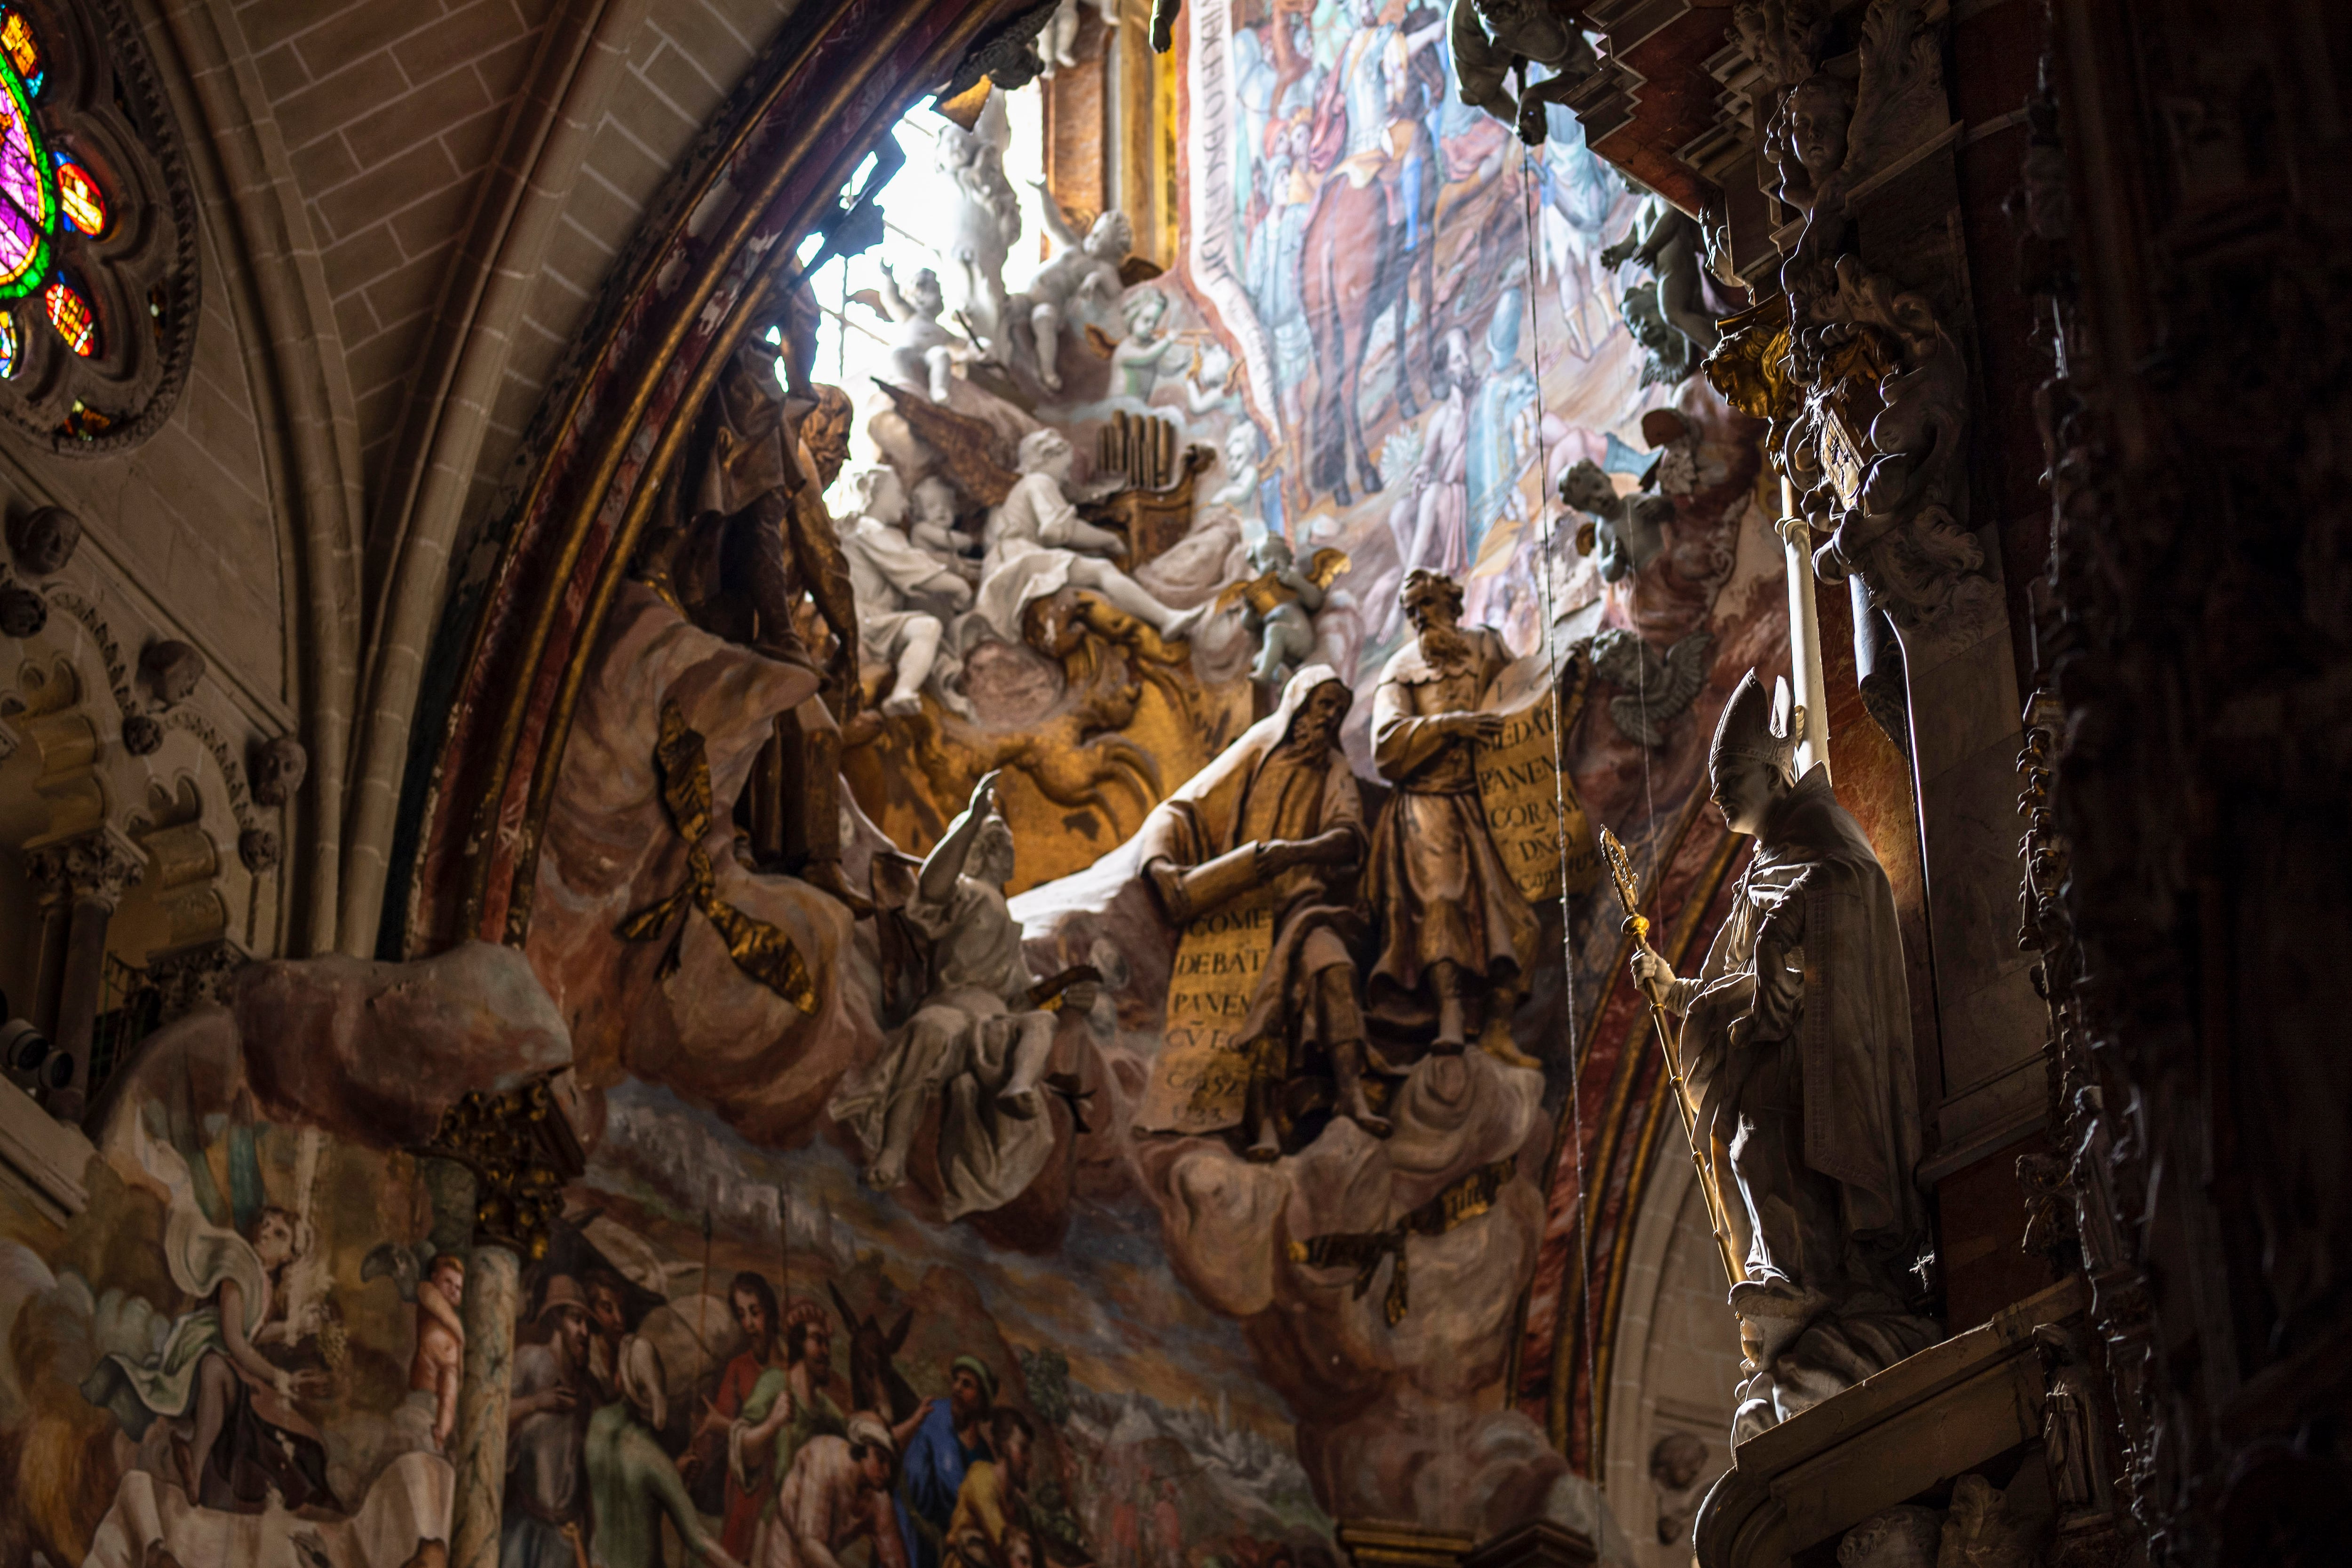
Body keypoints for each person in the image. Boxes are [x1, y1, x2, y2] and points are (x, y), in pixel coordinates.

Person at [1626, 671, 1930, 1434]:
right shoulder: (1765, 859)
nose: (1721, 796)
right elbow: (1731, 977)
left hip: (1814, 1061)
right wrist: (1674, 986)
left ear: (1772, 770)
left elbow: (1852, 882)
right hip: (1765, 1055)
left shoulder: (1821, 834)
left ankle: (1825, 1280)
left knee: (1766, 1149)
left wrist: (1785, 931)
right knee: (1748, 1153)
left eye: (1731, 779)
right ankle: (1792, 1274)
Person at [1133, 665, 1386, 1156]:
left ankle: (1352, 1096)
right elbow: (1180, 807)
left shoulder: (1332, 768)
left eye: (1338, 708)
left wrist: (1296, 852)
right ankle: (1263, 1122)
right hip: (1242, 916)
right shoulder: (1258, 750)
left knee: (1332, 967)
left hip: (1304, 906)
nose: (1330, 716)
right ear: (1297, 705)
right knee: (1253, 1005)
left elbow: (1349, 835)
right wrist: (1159, 862)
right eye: (1322, 705)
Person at [828, 773, 1094, 1217]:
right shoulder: (967, 894)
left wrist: (1070, 1002)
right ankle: (892, 1151)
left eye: (1004, 844)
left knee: (1042, 1024)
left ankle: (1019, 1086)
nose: (1007, 852)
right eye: (999, 844)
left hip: (994, 1025)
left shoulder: (1008, 922)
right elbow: (931, 887)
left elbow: (1023, 998)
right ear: (980, 850)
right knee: (928, 1034)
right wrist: (969, 823)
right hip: (952, 1006)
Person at [1364, 569, 1538, 1055]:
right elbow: (1384, 745)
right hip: (1426, 803)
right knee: (1440, 905)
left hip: (1487, 801)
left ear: (1452, 603)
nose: (1420, 615)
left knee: (1519, 920)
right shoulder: (1399, 668)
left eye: (1428, 603)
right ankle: (1450, 1015)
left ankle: (1499, 1030)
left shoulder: (1484, 647)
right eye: (1412, 608)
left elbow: (1522, 696)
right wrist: (1447, 726)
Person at [80, 1202, 337, 1514]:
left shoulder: (262, 1284)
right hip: (198, 1356)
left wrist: (290, 1328)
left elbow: (251, 1333)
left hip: (224, 1359)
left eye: (279, 1233)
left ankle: (215, 1467)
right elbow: (236, 1343)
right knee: (215, 1369)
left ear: (289, 1256)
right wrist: (282, 1378)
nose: (266, 1231)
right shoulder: (237, 1271)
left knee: (282, 1436)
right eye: (266, 1223)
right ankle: (195, 1462)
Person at [966, 428, 1202, 649]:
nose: (1067, 477)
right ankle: (1165, 619)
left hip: (1009, 560)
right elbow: (1058, 529)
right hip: (1020, 561)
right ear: (1048, 457)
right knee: (1102, 570)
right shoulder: (1040, 481)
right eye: (1066, 468)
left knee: (1093, 569)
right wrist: (1107, 540)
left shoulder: (1022, 488)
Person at [588, 1335, 748, 1568]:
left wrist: (671, 1474)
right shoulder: (654, 1460)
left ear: (621, 1380)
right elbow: (699, 1541)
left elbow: (628, 1487)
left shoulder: (597, 1425)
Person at [839, 467, 974, 716]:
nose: (904, 503)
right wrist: (959, 587)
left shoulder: (872, 532)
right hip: (866, 621)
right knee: (928, 627)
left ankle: (912, 692)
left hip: (879, 619)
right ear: (875, 496)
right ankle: (904, 691)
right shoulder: (868, 531)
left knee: (930, 632)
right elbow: (910, 567)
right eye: (899, 493)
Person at [683, 1272, 790, 1558]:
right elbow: (715, 1431)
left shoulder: (792, 1370)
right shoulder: (738, 1368)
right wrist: (694, 1459)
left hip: (783, 1481)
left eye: (755, 1313)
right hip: (747, 1484)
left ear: (769, 1310)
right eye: (742, 1315)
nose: (749, 1324)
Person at [504, 1275, 597, 1567]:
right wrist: (537, 1403)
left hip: (565, 1538)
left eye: (588, 1324)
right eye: (576, 1320)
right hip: (526, 1528)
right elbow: (493, 1418)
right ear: (557, 1319)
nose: (584, 1331)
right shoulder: (529, 1361)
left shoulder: (587, 1388)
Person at [732, 1298, 849, 1516]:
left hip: (813, 1522)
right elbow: (743, 1450)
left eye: (827, 1344)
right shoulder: (776, 1382)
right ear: (798, 1343)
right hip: (776, 1519)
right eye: (818, 1341)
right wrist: (772, 1424)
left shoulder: (824, 1406)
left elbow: (853, 1439)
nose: (826, 1352)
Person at [756, 1411, 910, 1568]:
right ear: (861, 1450)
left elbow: (895, 1559)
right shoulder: (824, 1460)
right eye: (880, 1459)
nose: (887, 1472)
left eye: (890, 1464)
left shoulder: (879, 1498)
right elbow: (810, 1544)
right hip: (788, 1547)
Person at [899, 1356, 998, 1568]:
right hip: (907, 1532)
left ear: (982, 1402)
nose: (957, 1388)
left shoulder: (984, 1459)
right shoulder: (935, 1416)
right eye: (957, 1380)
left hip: (944, 1551)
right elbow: (914, 1483)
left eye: (967, 1384)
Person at [944, 1407, 1036, 1568]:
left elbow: (1033, 1558)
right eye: (1023, 1449)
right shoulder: (981, 1478)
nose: (1029, 1461)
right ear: (1005, 1446)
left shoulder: (1018, 1507)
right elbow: (1003, 1543)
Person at [408, 1252, 466, 1452]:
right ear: (434, 1278)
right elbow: (430, 1297)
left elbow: (452, 1385)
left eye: (459, 1287)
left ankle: (441, 1433)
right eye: (448, 1282)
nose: (454, 1290)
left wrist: (443, 1427)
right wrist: (460, 1334)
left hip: (440, 1403)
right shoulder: (428, 1294)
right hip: (422, 1395)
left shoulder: (453, 1328)